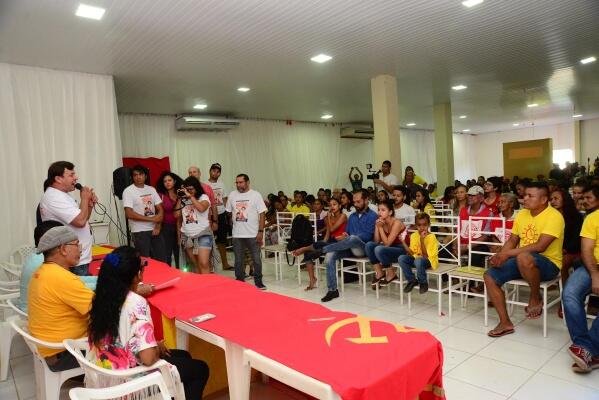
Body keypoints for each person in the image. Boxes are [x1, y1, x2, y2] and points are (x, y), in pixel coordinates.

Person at [87, 246, 209, 399]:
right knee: (200, 369)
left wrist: (153, 345)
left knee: (184, 356)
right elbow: (148, 358)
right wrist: (155, 347)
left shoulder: (101, 296)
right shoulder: (135, 303)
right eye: (141, 268)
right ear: (135, 276)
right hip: (128, 379)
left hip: (106, 370)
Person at [484, 182, 564, 337]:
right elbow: (513, 240)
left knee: (523, 257)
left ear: (543, 199)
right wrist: (501, 255)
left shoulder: (554, 216)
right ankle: (505, 322)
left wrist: (507, 254)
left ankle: (535, 297)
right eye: (524, 195)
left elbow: (541, 247)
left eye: (530, 196)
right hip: (523, 260)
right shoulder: (522, 214)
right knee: (489, 275)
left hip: (549, 264)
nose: (524, 199)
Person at [28, 226, 95, 371]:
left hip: (49, 350)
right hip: (65, 354)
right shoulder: (62, 278)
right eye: (77, 244)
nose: (81, 249)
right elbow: (101, 308)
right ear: (63, 249)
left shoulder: (42, 272)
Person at [19, 221, 97, 313]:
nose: (80, 250)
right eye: (76, 245)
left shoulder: (44, 264)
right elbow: (71, 285)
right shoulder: (45, 266)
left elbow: (74, 281)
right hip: (33, 315)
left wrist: (101, 279)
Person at [563, 185, 599, 372]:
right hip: (592, 265)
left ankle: (588, 349)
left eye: (588, 197)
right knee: (569, 294)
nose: (583, 201)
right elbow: (586, 250)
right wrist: (595, 276)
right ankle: (585, 346)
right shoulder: (592, 218)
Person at [39, 161, 96, 276]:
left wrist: (88, 205)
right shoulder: (54, 197)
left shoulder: (63, 195)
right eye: (71, 175)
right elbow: (80, 221)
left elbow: (83, 219)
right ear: (58, 179)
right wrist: (84, 199)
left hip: (78, 257)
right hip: (70, 259)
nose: (76, 178)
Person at [318, 190, 376, 302]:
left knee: (354, 238)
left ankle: (322, 249)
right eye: (354, 202)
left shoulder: (372, 216)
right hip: (349, 246)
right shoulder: (353, 216)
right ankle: (332, 290)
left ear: (366, 200)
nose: (355, 204)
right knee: (330, 255)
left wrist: (350, 237)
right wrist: (345, 235)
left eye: (358, 202)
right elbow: (348, 232)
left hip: (363, 248)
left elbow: (368, 236)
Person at [293, 198, 348, 290]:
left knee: (315, 247)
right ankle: (312, 280)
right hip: (330, 241)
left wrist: (329, 218)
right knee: (308, 254)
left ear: (340, 206)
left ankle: (304, 248)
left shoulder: (343, 216)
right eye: (330, 205)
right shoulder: (328, 217)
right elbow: (328, 233)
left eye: (334, 204)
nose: (332, 207)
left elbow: (332, 229)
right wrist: (324, 241)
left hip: (340, 242)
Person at [226, 174, 267, 289]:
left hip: (253, 234)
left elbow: (262, 214)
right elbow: (229, 212)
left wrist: (260, 231)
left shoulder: (255, 195)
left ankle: (258, 281)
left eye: (241, 182)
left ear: (247, 182)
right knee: (238, 260)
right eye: (237, 182)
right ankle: (239, 281)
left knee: (256, 260)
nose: (238, 185)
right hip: (237, 234)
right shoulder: (232, 195)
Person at [551, 188, 584, 317]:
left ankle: (565, 301)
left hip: (572, 250)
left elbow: (576, 240)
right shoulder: (550, 216)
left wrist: (563, 250)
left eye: (556, 198)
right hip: (554, 250)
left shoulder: (574, 216)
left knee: (563, 264)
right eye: (551, 199)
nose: (553, 201)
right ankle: (537, 296)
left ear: (565, 200)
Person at [122, 165, 166, 262]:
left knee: (161, 260)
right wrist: (152, 219)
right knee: (144, 261)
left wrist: (158, 225)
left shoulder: (151, 189)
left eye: (140, 174)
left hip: (155, 230)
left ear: (145, 176)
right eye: (135, 175)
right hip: (139, 232)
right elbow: (129, 213)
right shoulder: (128, 191)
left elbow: (160, 209)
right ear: (132, 177)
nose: (138, 177)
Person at [174, 177, 212, 274]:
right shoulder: (183, 200)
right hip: (187, 236)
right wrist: (179, 198)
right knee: (195, 263)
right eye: (187, 189)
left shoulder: (203, 197)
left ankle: (208, 286)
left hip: (203, 234)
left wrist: (191, 197)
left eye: (191, 189)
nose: (189, 191)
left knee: (204, 263)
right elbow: (176, 215)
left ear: (197, 188)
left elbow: (201, 208)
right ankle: (201, 286)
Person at [366, 201, 406, 288]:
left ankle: (391, 274)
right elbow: (376, 241)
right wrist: (377, 226)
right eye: (379, 210)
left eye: (383, 210)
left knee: (379, 249)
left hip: (402, 249)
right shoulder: (381, 222)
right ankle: (379, 272)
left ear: (390, 212)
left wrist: (380, 227)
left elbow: (387, 244)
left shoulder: (397, 223)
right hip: (390, 249)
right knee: (369, 245)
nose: (380, 212)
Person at [398, 213, 439, 294]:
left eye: (424, 225)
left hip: (429, 261)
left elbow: (425, 256)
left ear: (429, 225)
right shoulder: (414, 235)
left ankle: (423, 282)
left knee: (418, 261)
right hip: (417, 259)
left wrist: (422, 240)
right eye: (419, 225)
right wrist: (403, 242)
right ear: (416, 226)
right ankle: (412, 280)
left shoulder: (432, 237)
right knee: (401, 258)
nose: (422, 227)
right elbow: (411, 253)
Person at [456, 185, 492, 269]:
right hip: (462, 242)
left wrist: (467, 246)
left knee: (475, 255)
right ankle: (453, 279)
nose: (470, 197)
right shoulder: (463, 210)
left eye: (473, 195)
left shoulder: (488, 213)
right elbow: (457, 230)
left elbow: (485, 236)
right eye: (469, 195)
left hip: (478, 244)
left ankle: (472, 281)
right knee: (443, 251)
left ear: (481, 198)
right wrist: (457, 244)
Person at [156, 171, 184, 268]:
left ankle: (180, 274)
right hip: (166, 228)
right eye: (165, 181)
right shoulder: (161, 195)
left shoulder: (181, 194)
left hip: (180, 226)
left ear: (174, 181)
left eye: (169, 180)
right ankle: (167, 274)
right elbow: (158, 212)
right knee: (166, 254)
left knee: (179, 253)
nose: (167, 183)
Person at [207, 163, 232, 270]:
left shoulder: (222, 184)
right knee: (208, 241)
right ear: (210, 171)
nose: (215, 173)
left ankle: (225, 264)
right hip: (210, 215)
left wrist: (228, 213)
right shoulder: (205, 184)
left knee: (222, 240)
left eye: (218, 171)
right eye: (213, 171)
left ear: (220, 173)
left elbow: (225, 199)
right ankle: (209, 265)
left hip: (222, 214)